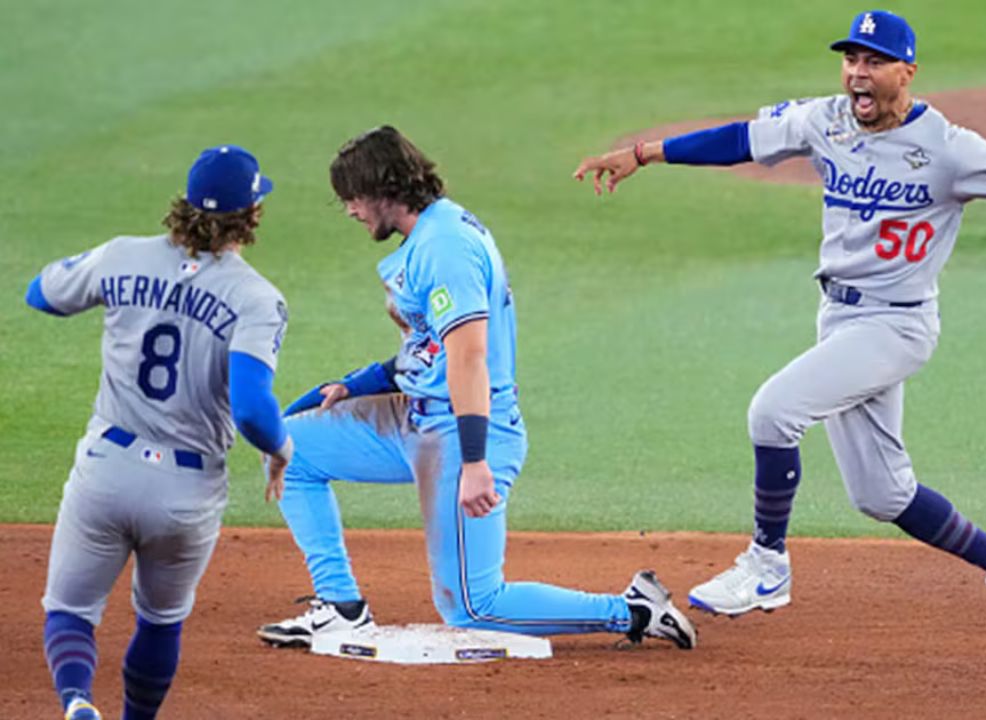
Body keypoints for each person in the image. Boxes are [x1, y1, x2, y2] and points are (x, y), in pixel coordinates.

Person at [573, 9, 986, 665]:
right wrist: (645, 153)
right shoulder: (825, 120)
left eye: (872, 62)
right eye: (850, 60)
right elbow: (742, 138)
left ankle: (767, 563)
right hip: (840, 318)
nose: (856, 75)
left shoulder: (953, 151)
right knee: (882, 495)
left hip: (896, 323)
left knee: (773, 412)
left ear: (907, 71)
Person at [256, 125, 695, 652]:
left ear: (383, 189)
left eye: (352, 197)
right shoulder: (430, 234)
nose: (350, 209)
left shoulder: (445, 248)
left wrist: (473, 461)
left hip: (460, 431)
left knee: (472, 605)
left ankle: (632, 611)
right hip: (413, 417)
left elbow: (468, 357)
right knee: (289, 450)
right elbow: (431, 347)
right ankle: (342, 608)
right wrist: (356, 385)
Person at [27, 145, 293, 720]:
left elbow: (40, 293)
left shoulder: (123, 255)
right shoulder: (257, 298)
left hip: (107, 470)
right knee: (161, 619)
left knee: (70, 610)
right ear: (252, 215)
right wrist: (282, 448)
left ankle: (76, 701)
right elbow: (251, 410)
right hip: (185, 493)